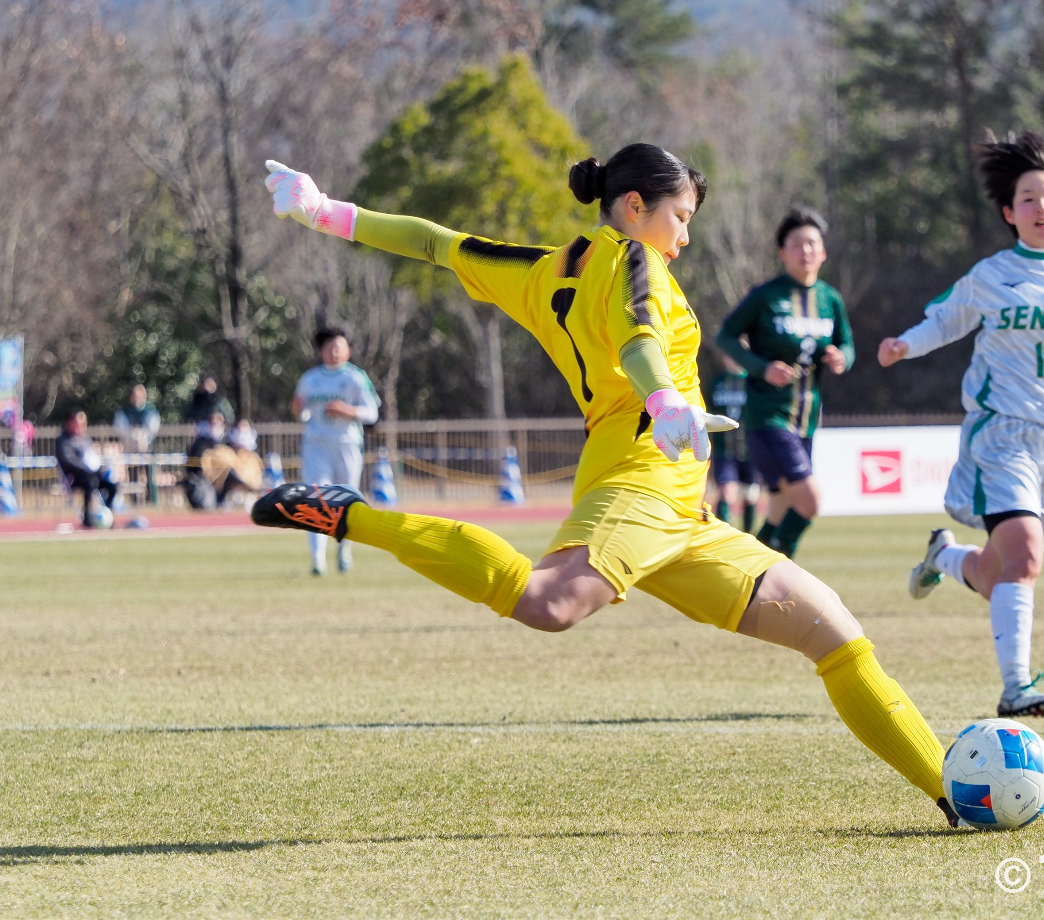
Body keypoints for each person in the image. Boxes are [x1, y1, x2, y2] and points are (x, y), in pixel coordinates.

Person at [253, 147, 959, 827]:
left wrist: (324, 211)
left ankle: (953, 792)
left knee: (833, 632)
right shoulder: (632, 260)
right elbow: (639, 342)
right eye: (680, 217)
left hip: (680, 502)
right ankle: (349, 516)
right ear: (633, 206)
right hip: (641, 474)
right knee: (548, 602)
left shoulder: (541, 269)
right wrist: (666, 404)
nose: (684, 237)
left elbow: (437, 243)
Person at [878, 132, 1044, 718]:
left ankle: (944, 558)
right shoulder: (992, 274)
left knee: (999, 571)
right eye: (1028, 198)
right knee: (1026, 556)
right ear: (1009, 213)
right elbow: (945, 321)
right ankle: (1015, 688)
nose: (1041, 207)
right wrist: (907, 344)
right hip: (1002, 432)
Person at [717, 205, 854, 558]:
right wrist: (761, 368)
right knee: (810, 500)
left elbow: (847, 344)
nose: (805, 251)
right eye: (796, 244)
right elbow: (726, 337)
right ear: (782, 253)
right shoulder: (766, 296)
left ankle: (754, 574)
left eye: (812, 244)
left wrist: (842, 357)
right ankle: (783, 571)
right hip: (768, 418)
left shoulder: (830, 299)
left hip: (806, 420)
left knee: (779, 504)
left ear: (823, 252)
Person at [292, 326, 381, 574]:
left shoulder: (355, 377)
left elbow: (372, 412)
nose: (334, 351)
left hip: (346, 444)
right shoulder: (310, 378)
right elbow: (302, 411)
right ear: (321, 351)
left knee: (346, 500)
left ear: (348, 350)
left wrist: (347, 410)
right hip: (317, 445)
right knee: (315, 499)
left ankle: (344, 548)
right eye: (329, 347)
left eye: (338, 346)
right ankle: (317, 558)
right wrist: (298, 408)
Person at [704, 354, 759, 533]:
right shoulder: (717, 383)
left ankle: (749, 537)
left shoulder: (753, 382)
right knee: (726, 492)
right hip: (724, 450)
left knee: (750, 495)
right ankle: (722, 535)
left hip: (749, 450)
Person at [55, 409, 118, 527]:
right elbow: (68, 460)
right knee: (90, 483)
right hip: (74, 478)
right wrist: (87, 469)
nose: (81, 426)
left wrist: (99, 468)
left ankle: (107, 514)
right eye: (78, 423)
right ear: (70, 422)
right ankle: (87, 519)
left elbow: (92, 456)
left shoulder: (85, 439)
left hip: (92, 475)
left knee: (112, 485)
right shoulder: (63, 440)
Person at [113, 384, 162, 505]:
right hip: (131, 447)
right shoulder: (125, 412)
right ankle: (134, 500)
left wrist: (143, 435)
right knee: (133, 474)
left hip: (146, 446)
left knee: (149, 473)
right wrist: (131, 434)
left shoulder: (150, 411)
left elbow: (153, 427)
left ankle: (151, 499)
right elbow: (120, 427)